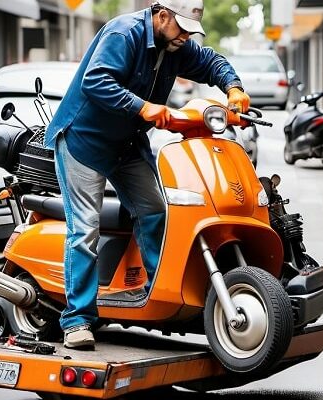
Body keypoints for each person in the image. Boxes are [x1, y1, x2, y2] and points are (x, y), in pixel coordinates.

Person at [44, 0, 250, 349]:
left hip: (126, 144)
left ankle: (160, 294)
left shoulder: (176, 46)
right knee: (84, 230)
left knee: (155, 210)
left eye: (190, 30)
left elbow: (211, 61)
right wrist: (144, 107)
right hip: (84, 142)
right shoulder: (123, 33)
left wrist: (233, 87)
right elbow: (95, 81)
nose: (186, 36)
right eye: (182, 27)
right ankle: (77, 320)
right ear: (162, 15)